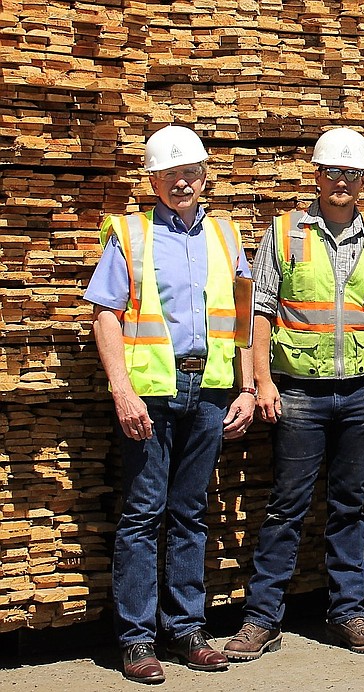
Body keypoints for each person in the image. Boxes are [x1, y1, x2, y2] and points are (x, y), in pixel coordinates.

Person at [223, 128, 364, 659]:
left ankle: (348, 613)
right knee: (287, 506)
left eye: (352, 175)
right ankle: (262, 619)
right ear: (316, 175)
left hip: (361, 392)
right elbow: (260, 311)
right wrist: (261, 380)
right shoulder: (285, 233)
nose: (342, 183)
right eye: (333, 172)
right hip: (299, 394)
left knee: (349, 506)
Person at [86, 125, 255, 684]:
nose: (182, 181)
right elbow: (105, 314)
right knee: (142, 514)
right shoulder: (130, 235)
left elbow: (246, 319)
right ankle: (137, 640)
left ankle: (186, 630)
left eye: (192, 172)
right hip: (151, 393)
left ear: (205, 175)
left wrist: (248, 387)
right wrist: (121, 389)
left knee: (190, 513)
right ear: (152, 178)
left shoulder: (227, 236)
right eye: (171, 173)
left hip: (208, 391)